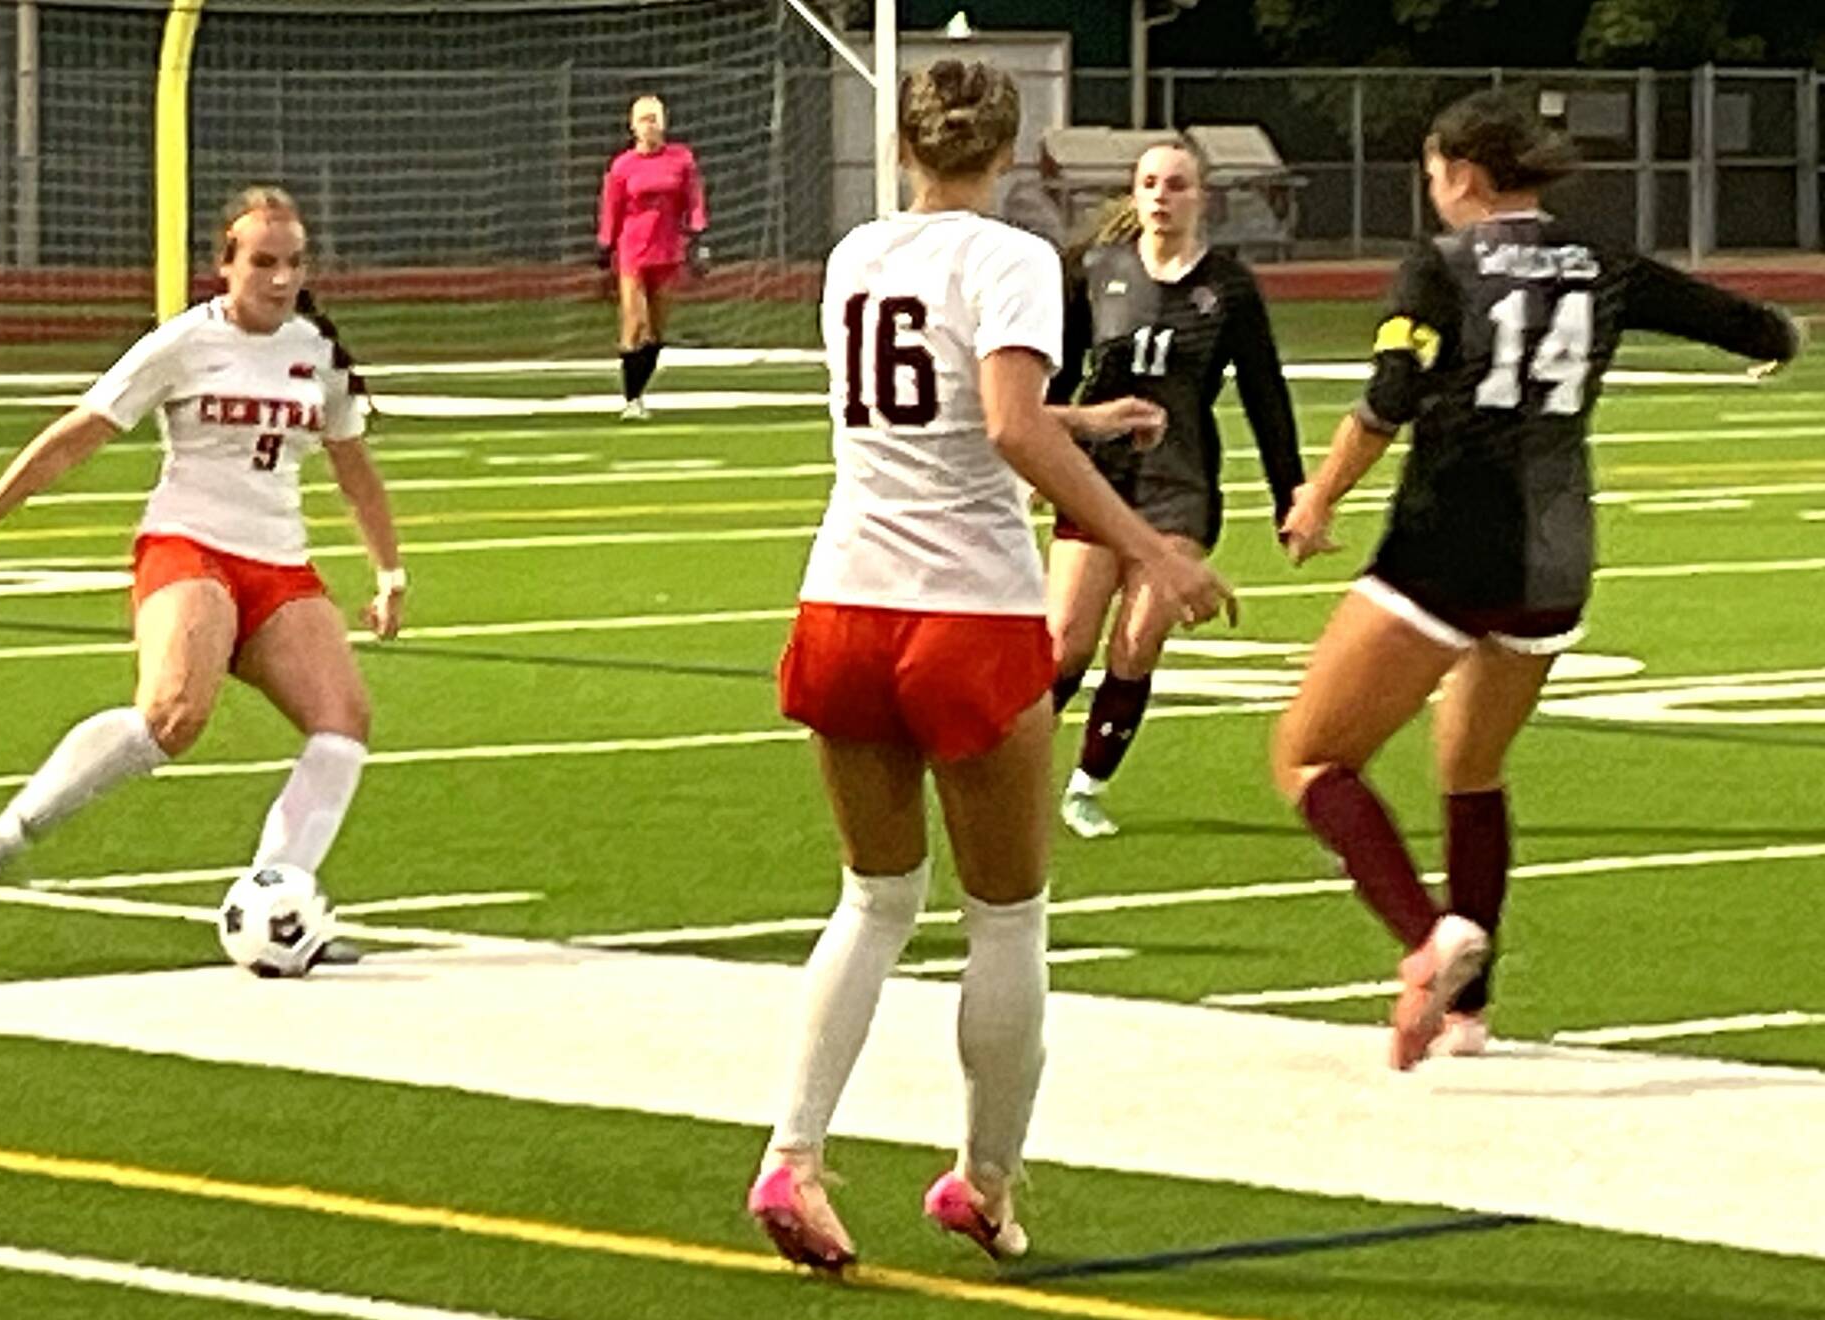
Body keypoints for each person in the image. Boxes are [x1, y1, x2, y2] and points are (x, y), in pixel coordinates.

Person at [747, 59, 1235, 1271]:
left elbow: (928, 412)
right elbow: (1002, 424)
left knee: (870, 903)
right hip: (962, 607)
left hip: (844, 593)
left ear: (905, 146)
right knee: (1005, 919)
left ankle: (792, 1155)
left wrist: (1082, 423)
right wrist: (1146, 551)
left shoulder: (857, 254)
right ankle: (985, 1181)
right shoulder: (1012, 257)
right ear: (1007, 149)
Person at [1271, 91, 1801, 1070]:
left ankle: (1428, 941)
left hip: (1447, 537)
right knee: (1470, 765)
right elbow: (1745, 325)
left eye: (1432, 171)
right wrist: (1775, 344)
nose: (1430, 190)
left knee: (1308, 757)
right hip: (1555, 551)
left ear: (1464, 175)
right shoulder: (1599, 259)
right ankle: (1470, 1010)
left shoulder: (1439, 264)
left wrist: (1316, 498)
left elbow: (1387, 401)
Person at [0, 186, 408, 955]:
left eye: (293, 263)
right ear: (224, 265)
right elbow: (82, 431)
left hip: (280, 564)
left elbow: (356, 470)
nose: (280, 279)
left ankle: (278, 900)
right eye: (262, 262)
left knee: (345, 720)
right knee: (174, 715)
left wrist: (389, 574)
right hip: (190, 545)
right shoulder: (182, 343)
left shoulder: (321, 354)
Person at [1046, 142, 1305, 839]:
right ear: (1133, 193)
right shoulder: (1095, 271)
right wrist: (1040, 460)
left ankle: (1086, 786)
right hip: (1097, 477)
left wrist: (1293, 496)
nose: (1161, 196)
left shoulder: (1228, 287)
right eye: (1149, 183)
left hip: (1178, 483)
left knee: (1136, 640)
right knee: (1065, 642)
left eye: (1177, 184)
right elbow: (1057, 380)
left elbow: (1264, 395)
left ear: (1202, 198)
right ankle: (1008, 766)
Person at [597, 94, 708, 421]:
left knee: (656, 330)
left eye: (655, 118)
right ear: (632, 126)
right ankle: (631, 397)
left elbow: (694, 200)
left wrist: (698, 237)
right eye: (644, 119)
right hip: (632, 250)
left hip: (667, 251)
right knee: (636, 322)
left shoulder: (681, 159)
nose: (651, 125)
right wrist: (605, 245)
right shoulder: (623, 166)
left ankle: (639, 392)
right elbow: (612, 207)